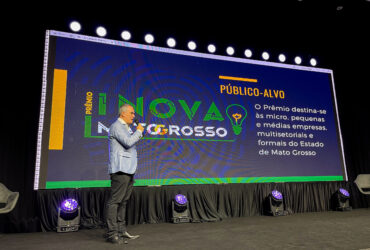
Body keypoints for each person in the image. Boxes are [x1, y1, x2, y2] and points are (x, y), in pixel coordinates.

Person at [105, 104, 144, 244]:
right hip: (120, 169)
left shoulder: (126, 128)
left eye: (134, 114)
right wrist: (139, 131)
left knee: (123, 201)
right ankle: (112, 234)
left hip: (128, 169)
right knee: (115, 201)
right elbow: (128, 142)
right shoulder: (116, 126)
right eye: (132, 113)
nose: (134, 116)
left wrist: (137, 132)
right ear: (123, 114)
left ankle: (121, 231)